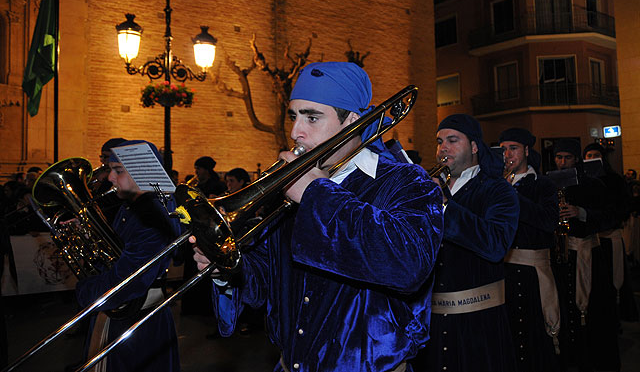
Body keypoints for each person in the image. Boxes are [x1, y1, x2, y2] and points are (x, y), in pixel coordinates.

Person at [192, 61, 444, 371]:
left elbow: (408, 265)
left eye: (312, 117)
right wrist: (226, 269)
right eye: (294, 116)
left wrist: (315, 195)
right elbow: (267, 284)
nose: (297, 131)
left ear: (351, 121)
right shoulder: (288, 188)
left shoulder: (406, 181)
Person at [415, 114, 520, 372]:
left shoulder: (498, 190)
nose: (443, 148)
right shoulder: (433, 186)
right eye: (440, 142)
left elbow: (496, 244)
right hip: (431, 322)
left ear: (474, 147)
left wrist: (443, 206)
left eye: (453, 140)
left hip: (478, 323)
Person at [74, 140, 180, 372]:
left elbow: (128, 282)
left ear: (142, 171)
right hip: (122, 317)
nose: (110, 177)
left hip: (137, 323)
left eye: (118, 170)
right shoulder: (132, 206)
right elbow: (118, 250)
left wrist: (85, 290)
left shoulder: (153, 216)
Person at [499, 128, 561, 372]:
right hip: (503, 271)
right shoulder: (497, 185)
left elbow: (548, 221)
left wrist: (513, 196)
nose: (507, 154)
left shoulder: (543, 184)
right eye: (502, 149)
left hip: (533, 273)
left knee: (535, 336)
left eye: (513, 148)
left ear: (526, 151)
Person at [551, 138, 614, 372]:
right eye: (559, 157)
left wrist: (581, 212)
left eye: (567, 157)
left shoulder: (592, 184)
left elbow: (609, 215)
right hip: (561, 255)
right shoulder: (549, 184)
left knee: (591, 313)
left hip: (587, 254)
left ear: (576, 159)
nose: (562, 162)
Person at [583, 143, 638, 323]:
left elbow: (622, 206)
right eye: (588, 155)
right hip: (591, 240)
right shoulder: (582, 180)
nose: (592, 159)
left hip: (609, 236)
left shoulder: (614, 180)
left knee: (614, 279)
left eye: (595, 155)